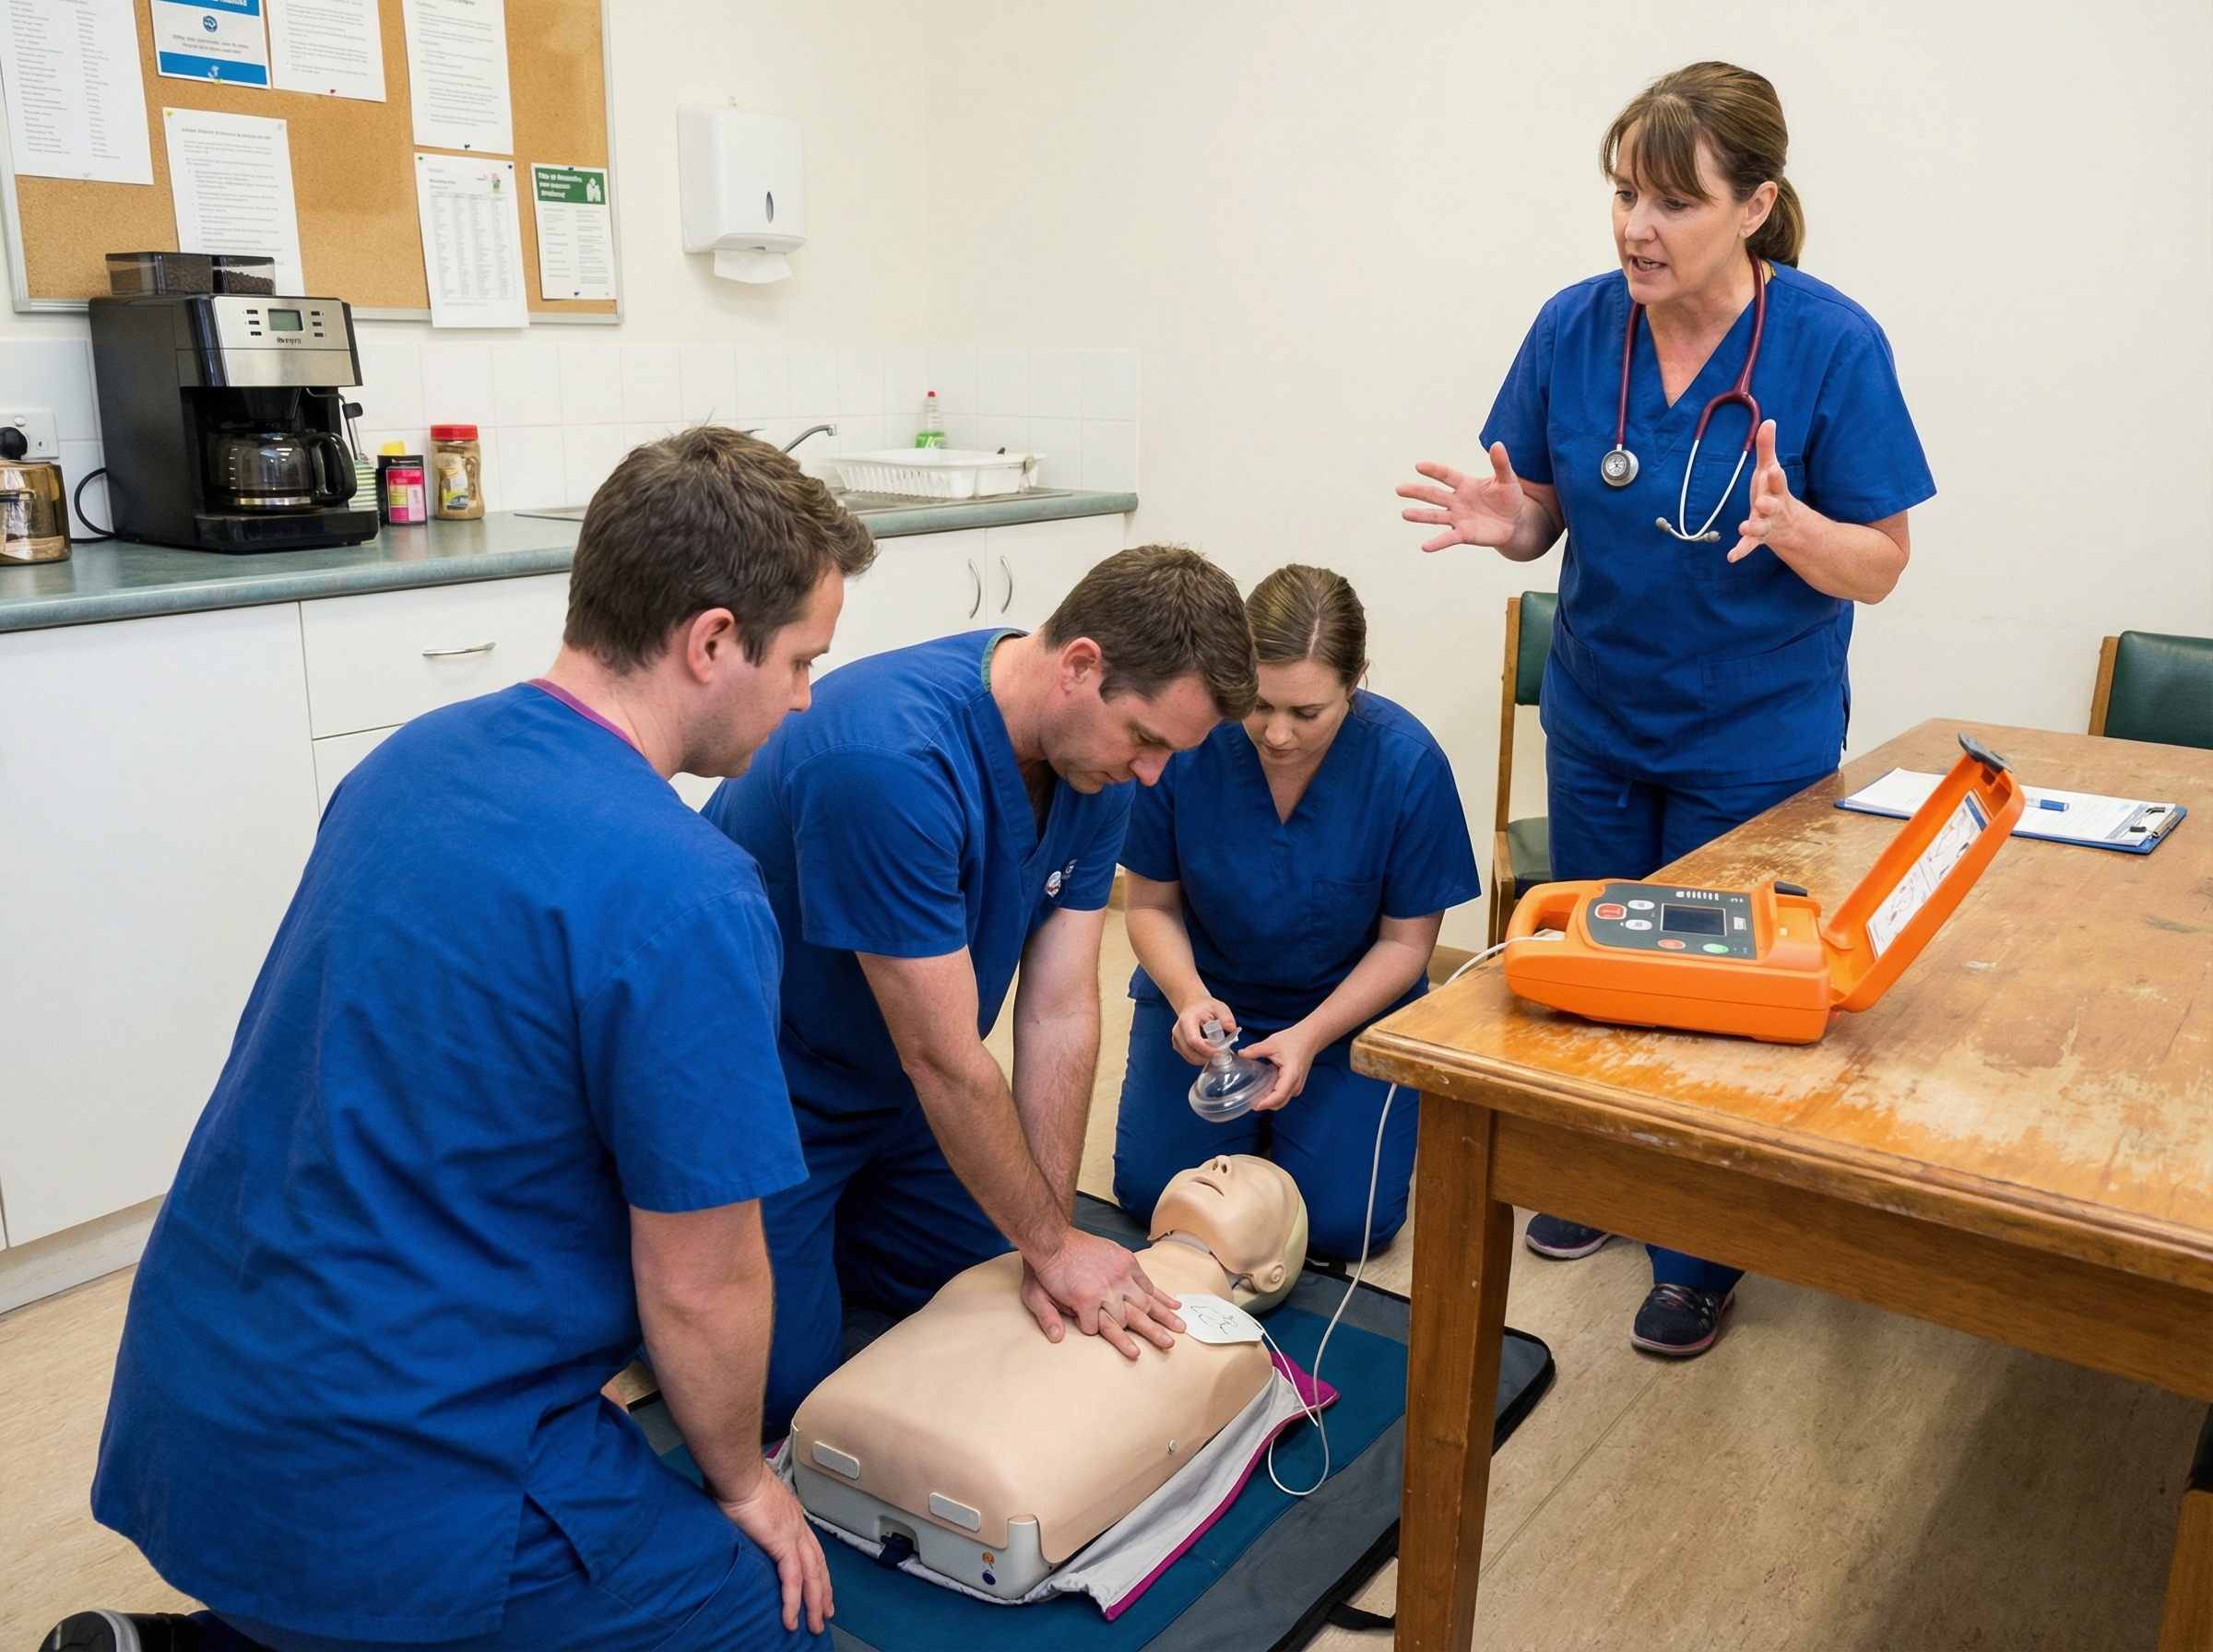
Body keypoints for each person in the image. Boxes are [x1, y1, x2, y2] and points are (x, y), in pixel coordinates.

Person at [55, 429, 874, 1652]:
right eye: (802, 659)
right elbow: (701, 1283)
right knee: (774, 1619)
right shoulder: (691, 889)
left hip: (195, 1401)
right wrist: (747, 1485)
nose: (807, 696)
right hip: (395, 1471)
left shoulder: (409, 760)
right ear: (712, 641)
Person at [1396, 62, 1934, 1356]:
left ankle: (1699, 1249)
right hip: (1600, 718)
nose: (1637, 226)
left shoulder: (1830, 344)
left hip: (1754, 741)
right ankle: (1591, 1179)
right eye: (1624, 193)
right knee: (1591, 971)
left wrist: (1801, 527)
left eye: (1673, 201)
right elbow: (1544, 511)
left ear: (1754, 208)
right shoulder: (1575, 327)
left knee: (1715, 994)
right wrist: (1504, 522)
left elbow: (1883, 560)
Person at [703, 544, 1259, 1437]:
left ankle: (839, 1233)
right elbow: (944, 1055)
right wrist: (1050, 1242)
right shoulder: (890, 760)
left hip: (897, 1088)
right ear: (1081, 665)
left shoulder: (1097, 760)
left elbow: (1062, 1005)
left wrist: (1054, 1234)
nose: (1153, 773)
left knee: (1015, 1294)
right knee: (780, 1395)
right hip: (764, 1092)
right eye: (1149, 741)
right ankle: (673, 1232)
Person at [1111, 565, 1480, 1259]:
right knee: (1152, 1194)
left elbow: (1406, 947)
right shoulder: (1189, 742)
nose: (1277, 735)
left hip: (1344, 1012)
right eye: (1258, 703)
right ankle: (1262, 1122)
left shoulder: (1405, 765)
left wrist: (1309, 1037)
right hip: (1211, 1006)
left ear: (1356, 680)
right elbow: (1151, 904)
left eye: (1307, 713)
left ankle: (1314, 1116)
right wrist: (1190, 999)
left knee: (1347, 1226)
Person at [787, 1154, 1308, 1599]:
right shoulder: (1021, 1255)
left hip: (972, 1489)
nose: (1217, 1163)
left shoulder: (1236, 1354)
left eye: (1251, 1178)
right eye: (1209, 1161)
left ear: (1271, 1274)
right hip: (947, 1481)